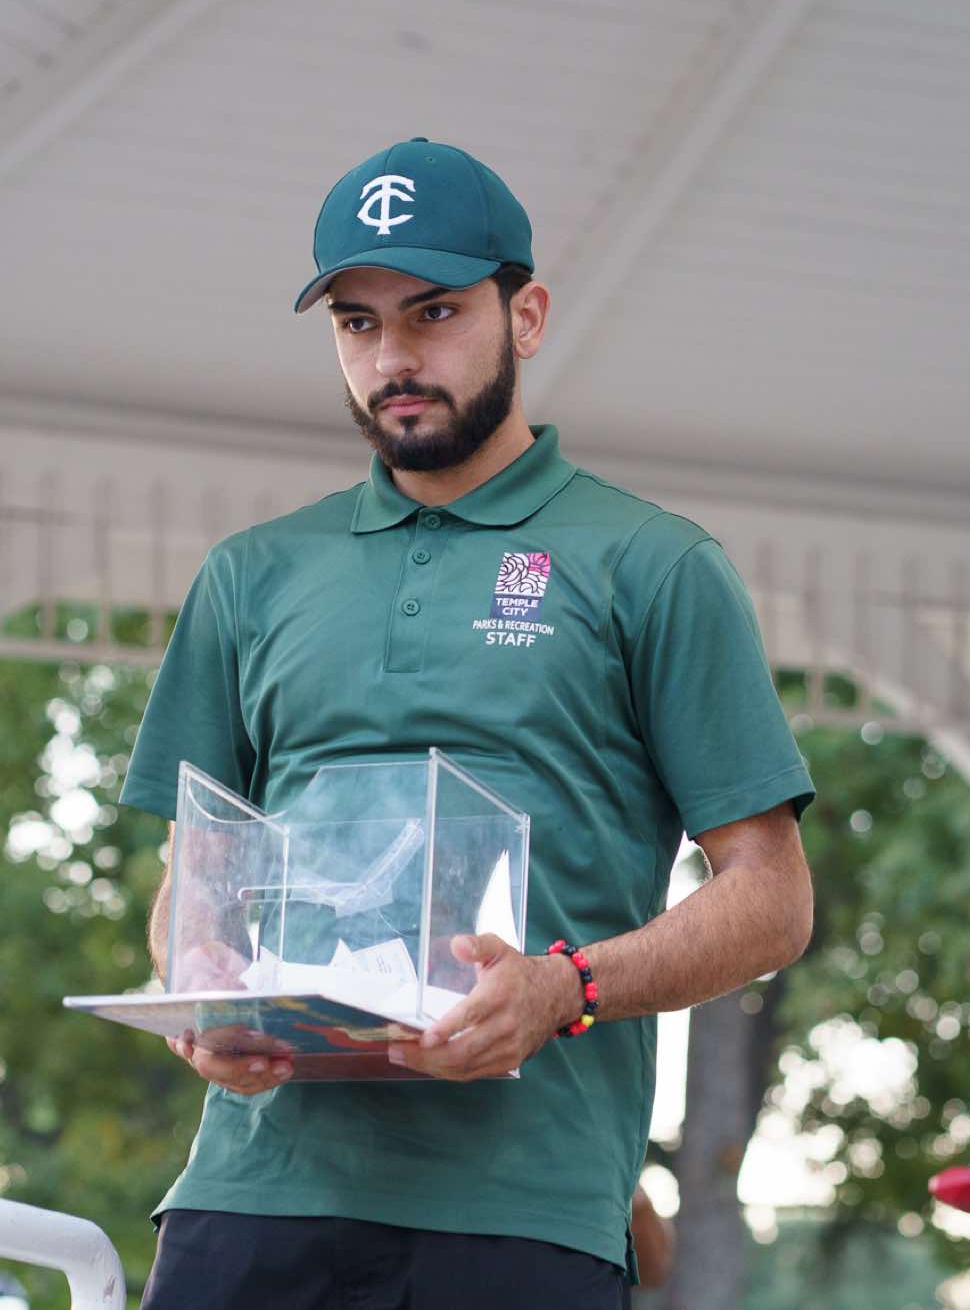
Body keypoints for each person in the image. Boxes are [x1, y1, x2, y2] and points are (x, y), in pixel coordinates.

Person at [118, 137, 816, 1308]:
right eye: (355, 322)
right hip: (250, 1196)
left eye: (432, 312)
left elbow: (771, 896)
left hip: (524, 1210)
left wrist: (561, 988)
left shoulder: (653, 563)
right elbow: (193, 881)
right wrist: (199, 990)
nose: (392, 357)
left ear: (523, 316)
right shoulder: (250, 573)